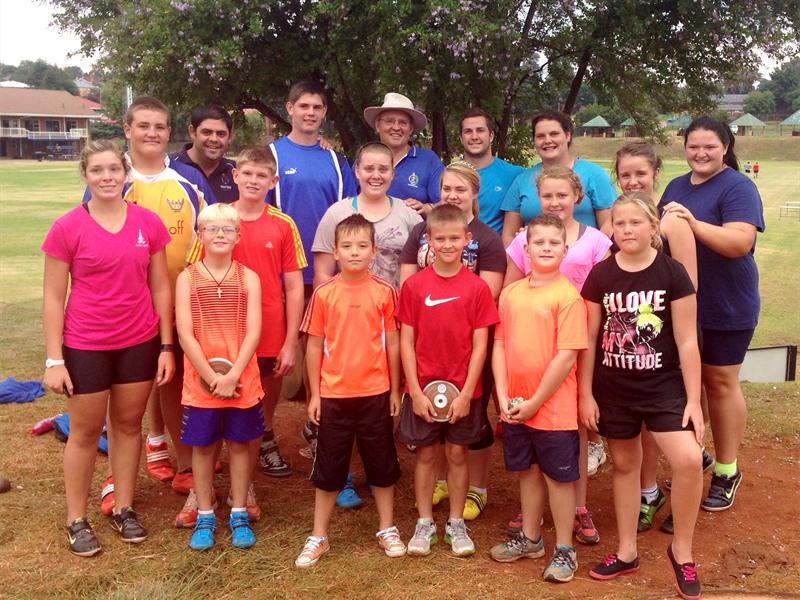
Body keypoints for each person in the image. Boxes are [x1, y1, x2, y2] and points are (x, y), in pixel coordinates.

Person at [42, 140, 174, 556]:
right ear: (85, 174)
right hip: (86, 344)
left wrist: (166, 345)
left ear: (126, 173)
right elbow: (53, 297)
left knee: (128, 425)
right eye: (97, 170)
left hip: (139, 340)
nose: (107, 177)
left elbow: (160, 287)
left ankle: (124, 507)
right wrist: (54, 359)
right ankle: (76, 519)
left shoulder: (147, 223)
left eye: (114, 169)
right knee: (84, 432)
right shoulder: (67, 227)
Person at [88, 96, 215, 520]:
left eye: (159, 126)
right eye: (143, 125)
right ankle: (115, 478)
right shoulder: (112, 177)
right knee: (123, 395)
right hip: (124, 308)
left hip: (179, 304)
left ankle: (185, 465)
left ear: (169, 131)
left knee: (177, 385)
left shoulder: (188, 181)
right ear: (127, 129)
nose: (152, 133)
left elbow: (209, 234)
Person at [580, 192, 704, 600]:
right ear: (611, 229)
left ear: (654, 227)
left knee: (688, 460)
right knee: (625, 464)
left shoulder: (672, 273)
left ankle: (682, 551)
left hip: (663, 388)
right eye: (620, 223)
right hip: (613, 389)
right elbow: (589, 339)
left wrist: (693, 401)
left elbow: (687, 341)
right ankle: (627, 551)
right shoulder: (600, 275)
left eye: (636, 222)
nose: (627, 229)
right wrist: (586, 394)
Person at [661, 116, 764, 514]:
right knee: (691, 382)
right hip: (682, 303)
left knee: (719, 383)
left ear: (725, 147)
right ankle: (697, 456)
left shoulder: (738, 186)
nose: (700, 153)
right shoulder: (676, 186)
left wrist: (693, 223)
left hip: (726, 302)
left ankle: (727, 469)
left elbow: (739, 242)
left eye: (709, 146)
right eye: (693, 146)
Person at [503, 166, 611, 546]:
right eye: (547, 195)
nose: (554, 202)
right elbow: (511, 290)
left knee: (573, 424)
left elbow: (604, 292)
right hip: (535, 340)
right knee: (536, 430)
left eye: (562, 195)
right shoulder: (525, 238)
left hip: (578, 338)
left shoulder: (595, 240)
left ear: (576, 197)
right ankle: (532, 512)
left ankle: (578, 505)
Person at [612, 140, 713, 535]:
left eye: (640, 173)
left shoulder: (672, 221)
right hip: (637, 341)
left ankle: (685, 487)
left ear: (656, 174)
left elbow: (690, 286)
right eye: (625, 175)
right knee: (641, 425)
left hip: (672, 334)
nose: (633, 180)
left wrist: (662, 335)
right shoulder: (621, 219)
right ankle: (648, 491)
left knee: (675, 420)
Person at [399, 161, 506, 522]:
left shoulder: (487, 239)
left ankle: (477, 487)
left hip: (467, 348)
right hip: (427, 349)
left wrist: (453, 302)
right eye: (447, 188)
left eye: (461, 189)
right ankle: (440, 483)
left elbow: (486, 296)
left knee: (467, 424)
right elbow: (408, 285)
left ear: (475, 193)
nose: (453, 195)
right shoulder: (421, 230)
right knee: (432, 431)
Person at [295, 215, 404, 567]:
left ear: (374, 251)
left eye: (361, 246)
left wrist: (395, 390)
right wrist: (315, 395)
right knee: (329, 467)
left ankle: (387, 528)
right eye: (347, 246)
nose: (354, 252)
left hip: (375, 393)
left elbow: (393, 344)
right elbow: (313, 347)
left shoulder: (384, 292)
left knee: (382, 463)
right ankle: (319, 535)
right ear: (335, 252)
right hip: (334, 396)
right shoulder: (324, 293)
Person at [488, 214, 588, 583]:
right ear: (525, 249)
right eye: (538, 242)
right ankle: (530, 538)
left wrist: (535, 402)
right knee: (528, 471)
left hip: (553, 410)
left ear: (566, 249)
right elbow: (499, 346)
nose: (546, 248)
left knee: (558, 479)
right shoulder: (511, 294)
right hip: (516, 405)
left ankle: (564, 548)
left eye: (553, 242)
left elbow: (566, 357)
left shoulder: (568, 297)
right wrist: (502, 395)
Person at [175, 204, 263, 551]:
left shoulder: (249, 278)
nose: (220, 235)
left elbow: (254, 331)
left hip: (242, 379)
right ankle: (205, 514)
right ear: (200, 235)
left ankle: (238, 512)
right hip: (202, 382)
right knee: (203, 447)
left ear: (238, 236)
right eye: (212, 229)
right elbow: (185, 333)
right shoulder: (187, 278)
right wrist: (211, 376)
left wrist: (233, 374)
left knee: (240, 445)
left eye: (227, 229)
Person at [230, 147, 306, 487]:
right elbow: (195, 274)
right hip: (226, 329)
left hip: (270, 329)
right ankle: (222, 454)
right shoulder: (218, 218)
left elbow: (294, 285)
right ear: (235, 176)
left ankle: (265, 436)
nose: (253, 180)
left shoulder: (283, 224)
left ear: (273, 181)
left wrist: (290, 342)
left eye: (261, 175)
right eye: (247, 173)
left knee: (267, 388)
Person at [267, 81, 358, 292]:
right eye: (304, 106)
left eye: (317, 107)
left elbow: (351, 218)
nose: (310, 113)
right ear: (290, 108)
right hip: (282, 273)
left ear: (324, 112)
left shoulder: (338, 161)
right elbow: (259, 215)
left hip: (329, 274)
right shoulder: (271, 155)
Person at [313, 142, 422, 291]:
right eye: (369, 169)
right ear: (357, 172)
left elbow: (425, 269)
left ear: (392, 173)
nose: (376, 176)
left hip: (396, 303)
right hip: (348, 302)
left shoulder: (409, 214)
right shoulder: (336, 214)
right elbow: (322, 275)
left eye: (383, 169)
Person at [500, 109, 616, 245]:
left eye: (554, 134)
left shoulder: (594, 175)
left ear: (568, 135)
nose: (547, 140)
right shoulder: (522, 180)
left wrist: (589, 253)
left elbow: (608, 225)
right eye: (540, 136)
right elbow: (509, 235)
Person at [363, 92, 445, 216]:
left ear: (410, 129)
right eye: (389, 121)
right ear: (377, 125)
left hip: (415, 228)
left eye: (403, 122)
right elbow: (350, 200)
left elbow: (447, 201)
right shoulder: (365, 159)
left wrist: (428, 208)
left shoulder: (429, 161)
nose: (396, 127)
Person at [459, 107, 524, 234]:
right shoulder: (449, 176)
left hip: (495, 245)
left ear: (491, 136)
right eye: (468, 131)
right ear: (461, 138)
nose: (474, 136)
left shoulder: (515, 175)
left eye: (480, 130)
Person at [171, 104, 237, 203]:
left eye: (221, 134)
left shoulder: (238, 173)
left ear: (230, 136)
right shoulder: (168, 167)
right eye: (207, 132)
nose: (214, 139)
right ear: (192, 132)